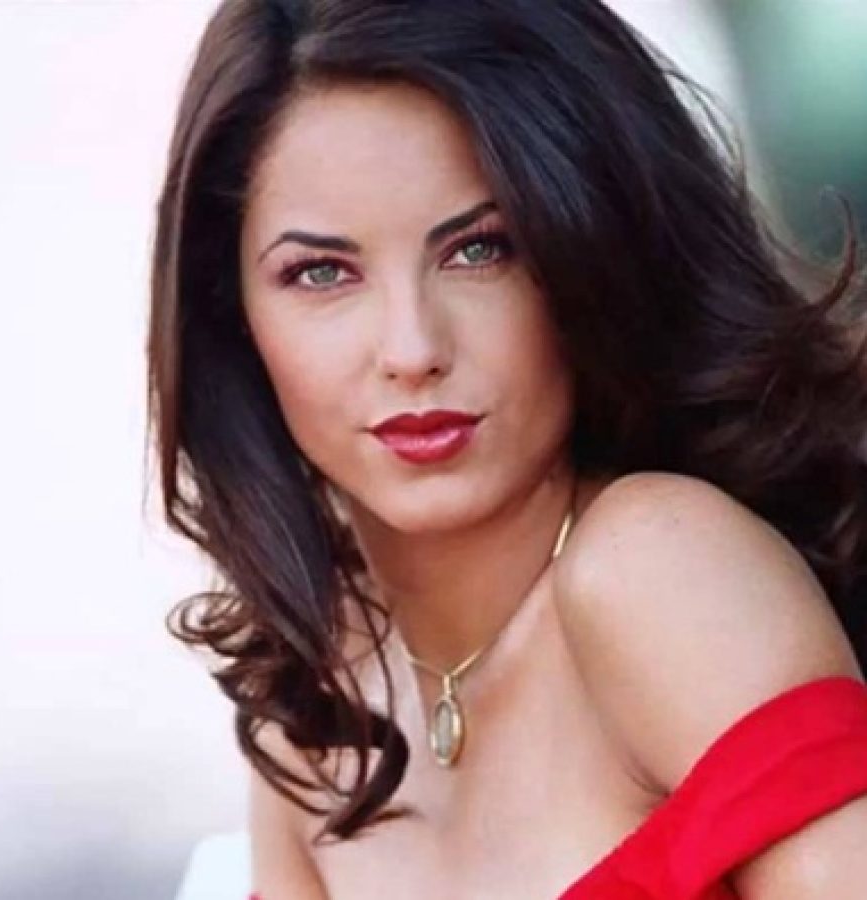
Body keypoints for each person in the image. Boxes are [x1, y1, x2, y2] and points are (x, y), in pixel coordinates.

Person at [144, 1, 867, 897]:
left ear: (590, 252)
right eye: (322, 272)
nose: (412, 349)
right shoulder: (316, 712)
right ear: (234, 317)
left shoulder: (657, 566)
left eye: (481, 250)